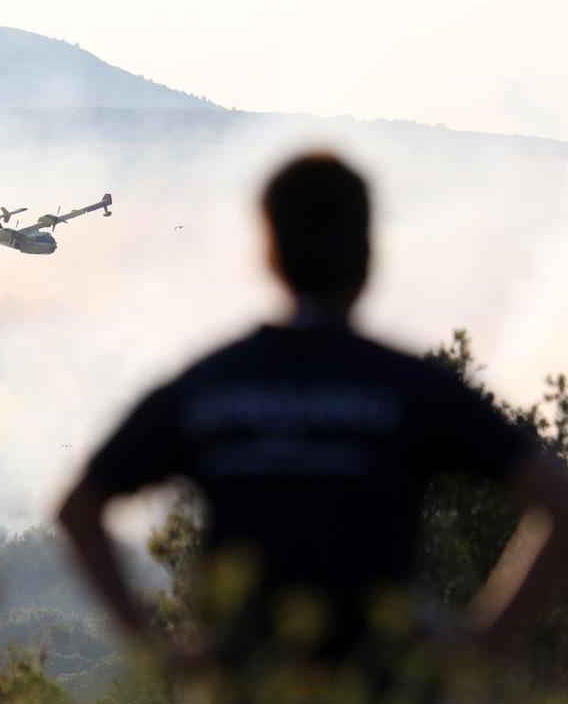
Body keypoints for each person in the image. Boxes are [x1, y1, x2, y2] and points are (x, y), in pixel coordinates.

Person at [58, 152, 568, 698]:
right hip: (386, 683)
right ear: (368, 254)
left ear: (269, 253)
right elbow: (558, 500)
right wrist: (486, 641)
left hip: (248, 683)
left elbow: (79, 508)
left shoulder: (211, 384)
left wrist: (159, 650)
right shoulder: (410, 387)